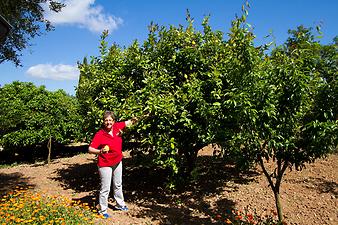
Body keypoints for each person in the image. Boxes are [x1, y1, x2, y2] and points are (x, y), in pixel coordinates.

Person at [88, 110, 137, 218]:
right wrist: (100, 151)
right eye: (106, 120)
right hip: (105, 164)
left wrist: (142, 116)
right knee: (105, 188)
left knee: (118, 184)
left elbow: (129, 122)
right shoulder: (100, 134)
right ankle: (103, 210)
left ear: (114, 121)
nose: (108, 122)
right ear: (103, 122)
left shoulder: (117, 128)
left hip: (117, 161)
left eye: (110, 120)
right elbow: (90, 149)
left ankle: (120, 204)